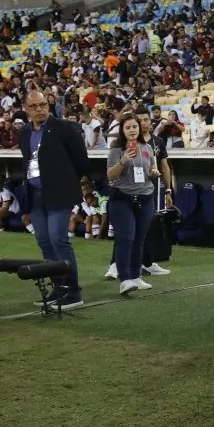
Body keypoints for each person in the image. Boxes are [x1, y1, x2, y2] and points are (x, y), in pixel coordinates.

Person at [19, 90, 89, 308]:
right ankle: (58, 287)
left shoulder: (64, 128)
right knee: (44, 241)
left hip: (59, 193)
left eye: (43, 105)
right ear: (26, 109)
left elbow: (81, 161)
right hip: (35, 193)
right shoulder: (25, 132)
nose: (39, 109)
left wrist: (66, 182)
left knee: (59, 240)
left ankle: (73, 291)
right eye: (34, 106)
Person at [103, 107, 173, 279]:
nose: (133, 130)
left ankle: (136, 277)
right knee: (126, 237)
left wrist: (153, 174)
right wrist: (123, 160)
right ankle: (123, 276)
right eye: (128, 127)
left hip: (145, 197)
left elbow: (152, 169)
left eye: (135, 126)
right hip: (122, 198)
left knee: (139, 240)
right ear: (122, 130)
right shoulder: (116, 149)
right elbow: (110, 175)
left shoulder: (148, 148)